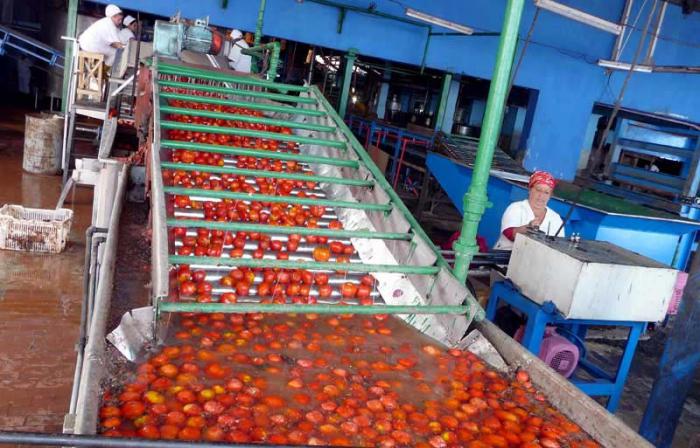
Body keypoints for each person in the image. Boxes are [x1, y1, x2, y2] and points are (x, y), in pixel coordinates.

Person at [494, 170, 565, 250]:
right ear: (530, 189)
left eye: (546, 192)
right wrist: (528, 228)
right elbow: (509, 234)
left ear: (550, 195)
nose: (541, 196)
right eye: (538, 190)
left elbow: (559, 246)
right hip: (505, 258)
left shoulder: (555, 218)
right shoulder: (516, 208)